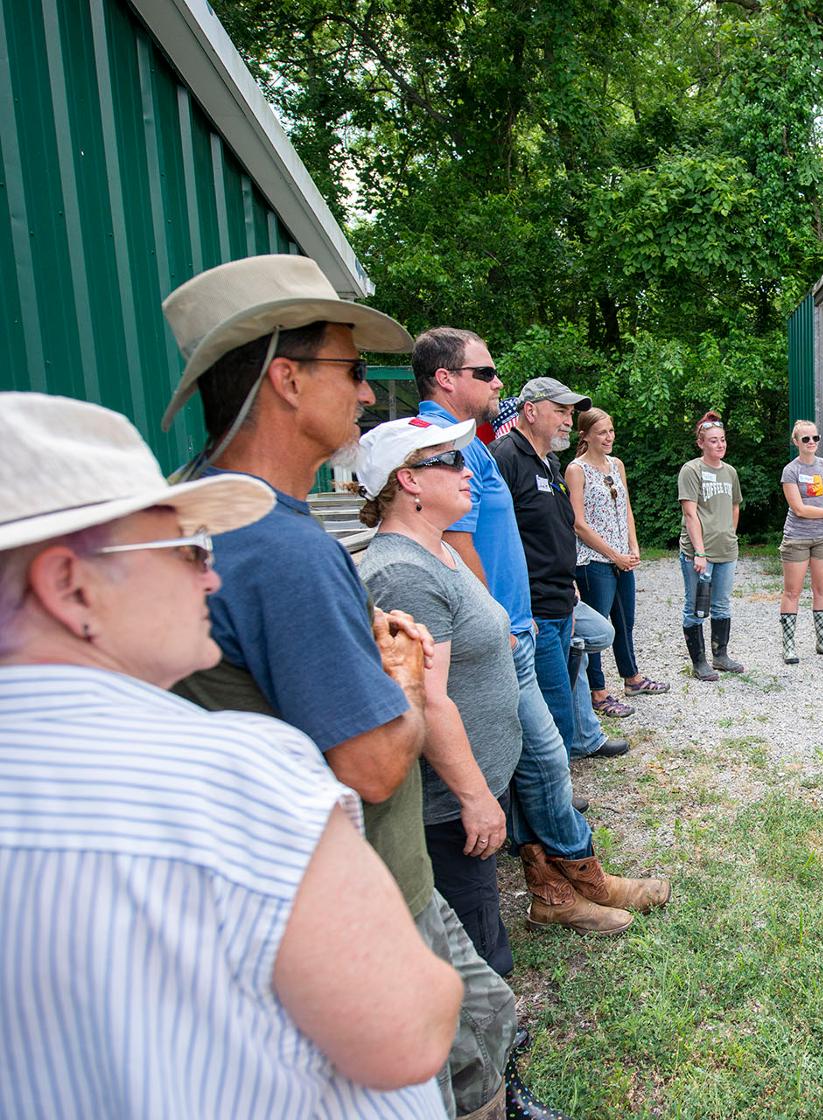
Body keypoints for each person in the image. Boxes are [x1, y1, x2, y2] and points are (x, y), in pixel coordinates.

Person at [0, 392, 459, 1117]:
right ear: (68, 585)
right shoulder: (236, 771)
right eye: (183, 549)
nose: (211, 576)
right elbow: (413, 1030)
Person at [156, 256, 536, 1119]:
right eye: (355, 371)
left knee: (483, 1014)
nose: (369, 397)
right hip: (357, 902)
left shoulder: (194, 508)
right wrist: (402, 677)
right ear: (286, 380)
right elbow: (368, 766)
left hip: (331, 889)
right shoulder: (281, 548)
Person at [414, 328, 670, 935]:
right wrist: (493, 619)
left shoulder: (471, 444)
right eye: (486, 372)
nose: (497, 382)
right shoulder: (442, 445)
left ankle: (554, 893)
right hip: (502, 637)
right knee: (547, 759)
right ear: (446, 379)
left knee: (537, 762)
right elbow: (456, 540)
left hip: (521, 625)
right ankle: (584, 880)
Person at [357, 417, 523, 976]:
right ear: (408, 481)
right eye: (449, 461)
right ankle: (492, 1060)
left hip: (470, 789)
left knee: (479, 919)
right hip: (447, 807)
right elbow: (426, 701)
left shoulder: (437, 552)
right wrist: (474, 797)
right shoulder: (404, 572)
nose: (464, 469)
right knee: (472, 951)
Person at [490, 379, 630, 760]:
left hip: (562, 598)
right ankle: (557, 795)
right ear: (530, 411)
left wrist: (569, 582)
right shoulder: (505, 457)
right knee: (553, 705)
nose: (569, 421)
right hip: (532, 608)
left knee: (595, 639)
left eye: (571, 413)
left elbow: (556, 528)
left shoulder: (549, 461)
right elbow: (494, 538)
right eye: (560, 411)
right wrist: (512, 608)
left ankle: (583, 740)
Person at [567, 407, 667, 716]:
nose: (608, 437)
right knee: (597, 628)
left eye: (611, 431)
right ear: (585, 435)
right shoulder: (576, 469)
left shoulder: (617, 465)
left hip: (623, 558)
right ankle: (598, 692)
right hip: (594, 560)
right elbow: (578, 523)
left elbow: (626, 509)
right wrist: (614, 554)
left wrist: (633, 547)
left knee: (626, 622)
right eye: (601, 432)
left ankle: (632, 677)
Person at [778, 419, 823, 664]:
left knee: (822, 589)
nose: (811, 442)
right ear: (796, 442)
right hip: (797, 537)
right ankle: (789, 646)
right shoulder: (791, 470)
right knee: (792, 592)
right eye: (805, 439)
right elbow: (798, 509)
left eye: (815, 438)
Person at [677, 410, 743, 681]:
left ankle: (720, 656)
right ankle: (699, 662)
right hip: (699, 554)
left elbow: (735, 505)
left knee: (722, 605)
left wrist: (729, 534)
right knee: (695, 606)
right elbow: (690, 513)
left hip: (726, 550)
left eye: (723, 440)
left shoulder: (730, 472)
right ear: (701, 443)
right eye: (713, 440)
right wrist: (700, 552)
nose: (720, 445)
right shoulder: (692, 470)